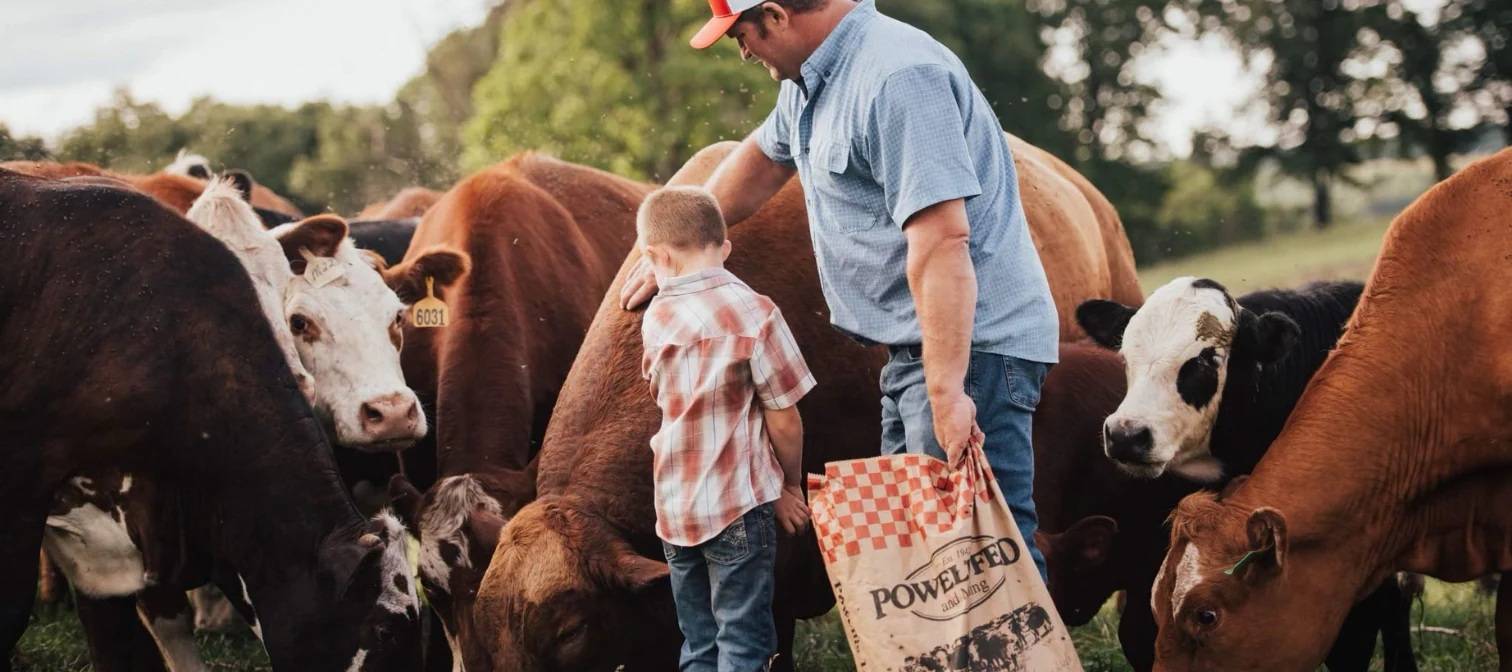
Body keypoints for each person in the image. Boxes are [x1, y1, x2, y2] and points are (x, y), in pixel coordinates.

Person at [622, 0, 1059, 579]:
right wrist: (683, 249)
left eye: (742, 35)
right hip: (916, 352)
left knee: (981, 551)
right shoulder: (813, 84)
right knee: (936, 558)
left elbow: (942, 241)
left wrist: (948, 392)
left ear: (776, 15)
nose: (744, 51)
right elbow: (760, 160)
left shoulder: (898, 77)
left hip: (970, 352)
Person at [637, 186, 816, 671]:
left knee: (698, 644)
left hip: (675, 510)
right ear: (726, 247)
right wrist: (789, 483)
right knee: (744, 640)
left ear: (656, 257)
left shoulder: (656, 317)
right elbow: (784, 415)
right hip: (739, 506)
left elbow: (664, 396)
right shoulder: (755, 312)